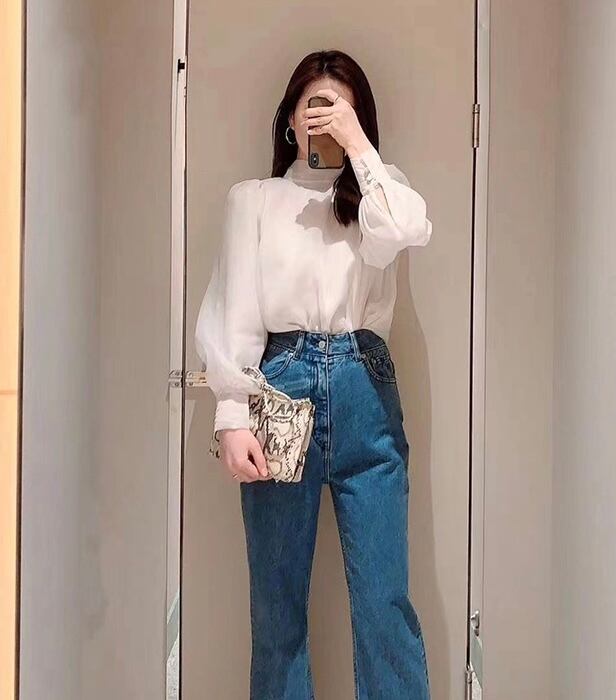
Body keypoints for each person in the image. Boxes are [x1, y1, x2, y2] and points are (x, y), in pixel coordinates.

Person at [195, 48, 432, 700]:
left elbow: (408, 228)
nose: (324, 119)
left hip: (365, 384)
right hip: (281, 382)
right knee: (277, 605)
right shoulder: (255, 200)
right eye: (315, 107)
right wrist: (231, 414)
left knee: (384, 603)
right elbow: (235, 309)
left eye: (340, 109)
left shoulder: (379, 194)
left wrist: (358, 147)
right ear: (289, 120)